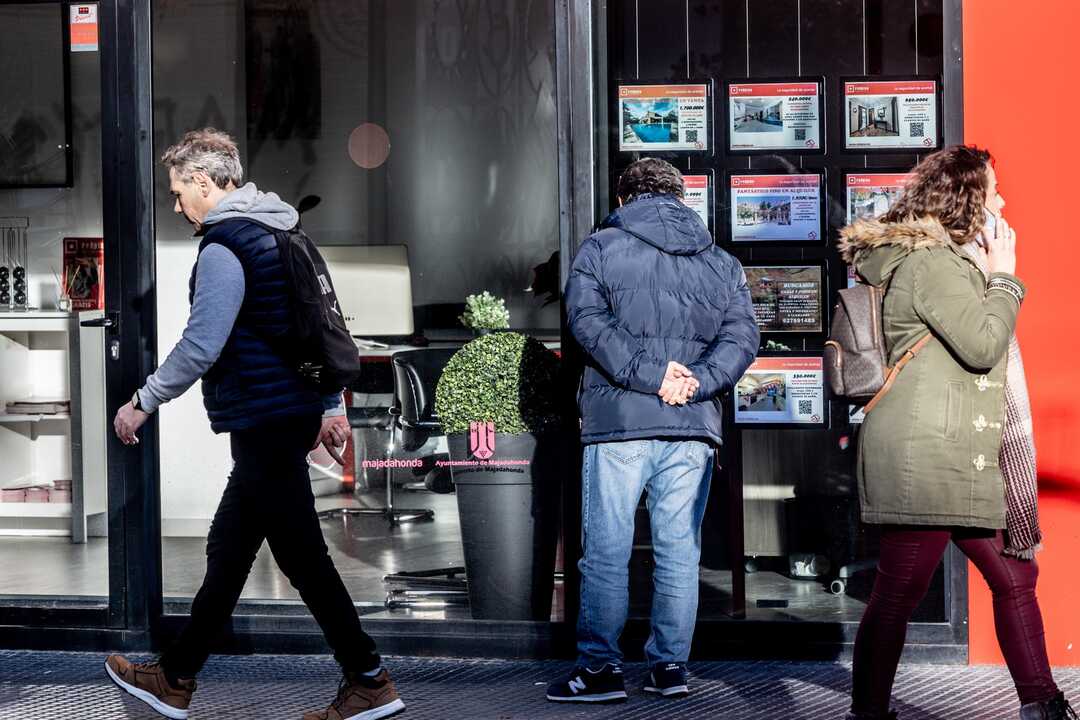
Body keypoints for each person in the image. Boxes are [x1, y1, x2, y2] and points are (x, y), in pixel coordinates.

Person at [103, 128, 405, 720]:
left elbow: (202, 344)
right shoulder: (283, 232)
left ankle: (369, 679)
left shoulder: (226, 247)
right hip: (287, 416)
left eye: (177, 191)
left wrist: (143, 400)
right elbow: (320, 330)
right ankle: (176, 677)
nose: (176, 205)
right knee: (230, 547)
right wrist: (329, 405)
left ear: (203, 181)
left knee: (303, 559)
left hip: (265, 421)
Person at [840, 145, 1076, 720]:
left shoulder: (939, 259)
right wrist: (1005, 278)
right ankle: (869, 713)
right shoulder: (932, 264)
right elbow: (982, 344)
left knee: (1014, 576)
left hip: (957, 451)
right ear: (968, 200)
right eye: (994, 191)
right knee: (899, 592)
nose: (1003, 202)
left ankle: (1042, 703)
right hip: (926, 455)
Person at [546, 158, 759, 703]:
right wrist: (696, 382)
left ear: (623, 199)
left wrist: (652, 375)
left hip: (620, 423)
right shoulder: (722, 262)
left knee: (606, 552)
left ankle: (599, 671)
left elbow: (588, 323)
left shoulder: (599, 248)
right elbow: (742, 338)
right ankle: (669, 668)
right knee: (679, 551)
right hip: (691, 423)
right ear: (682, 197)